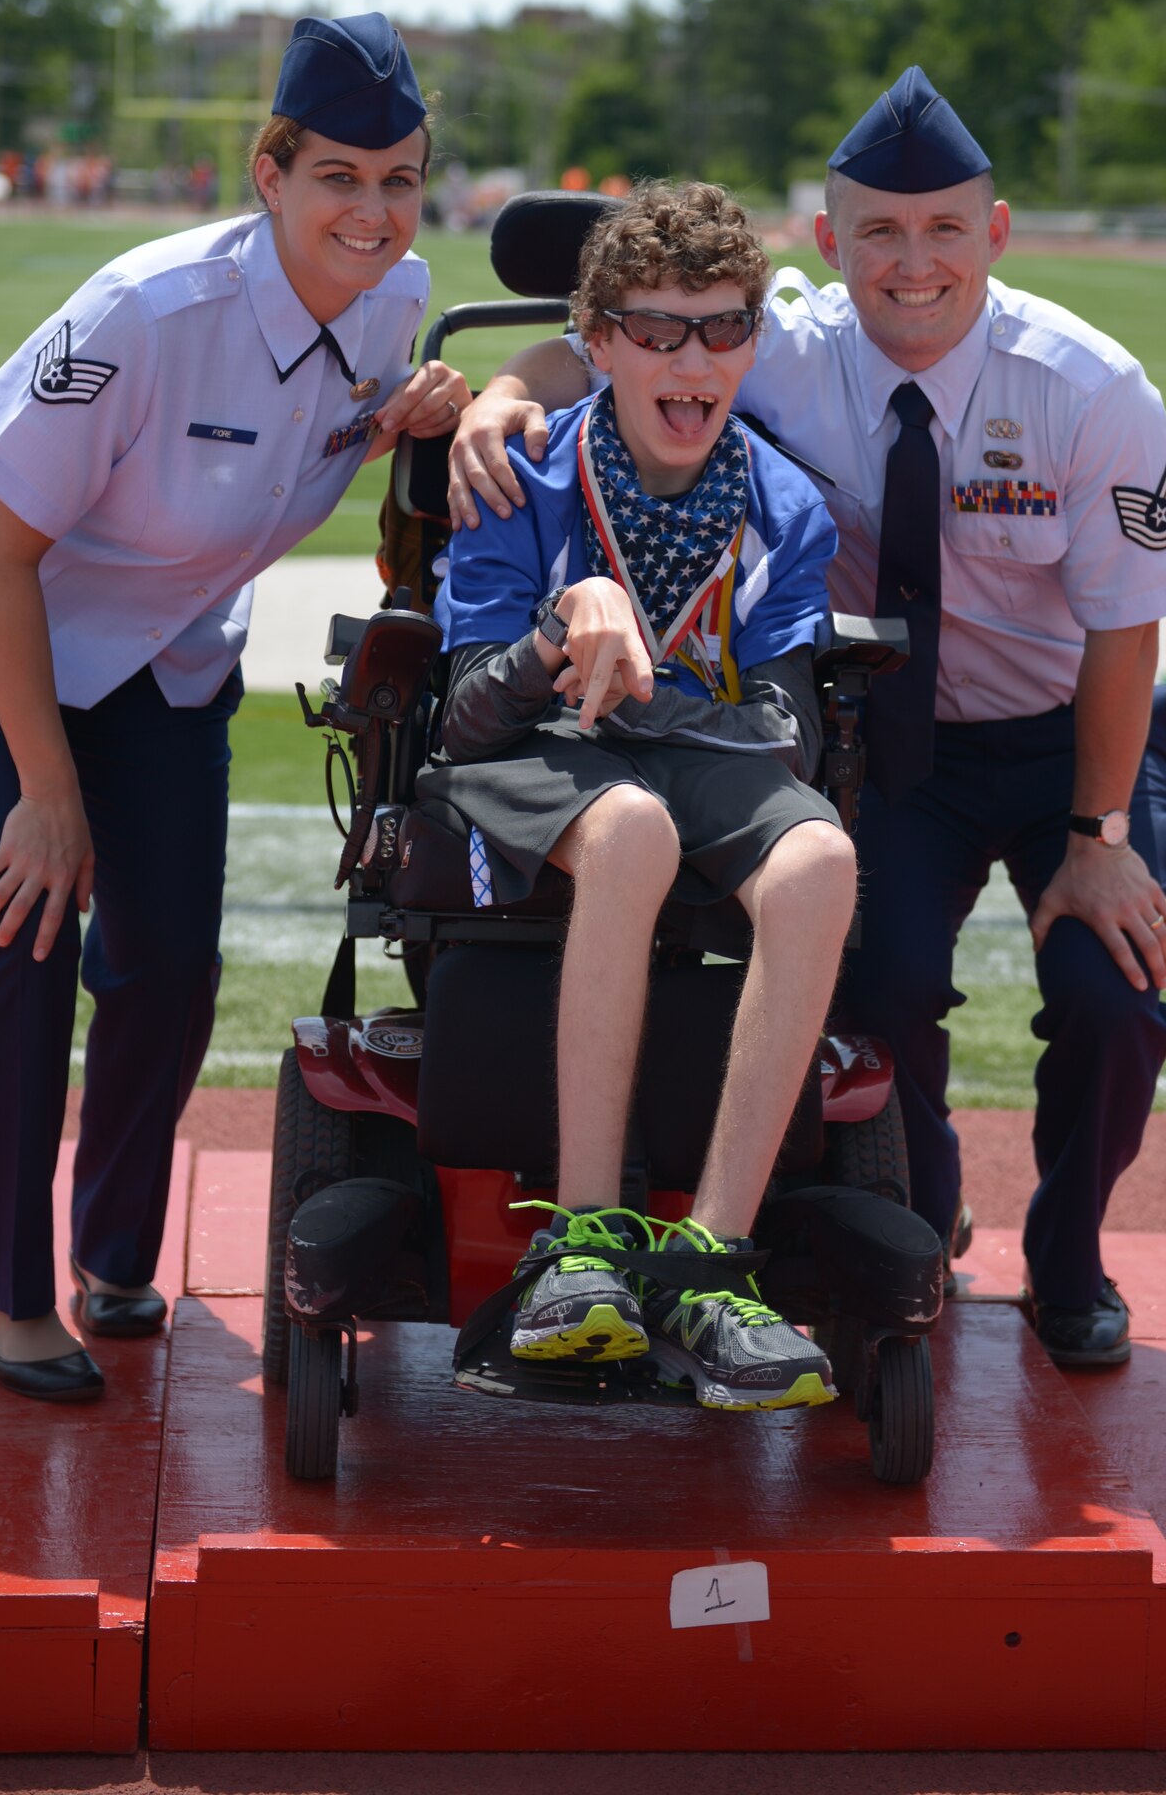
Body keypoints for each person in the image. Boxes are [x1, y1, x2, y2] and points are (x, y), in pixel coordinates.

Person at [447, 70, 1166, 1369]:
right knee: (888, 984)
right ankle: (914, 1219)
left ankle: (1068, 1256)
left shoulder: (1088, 388)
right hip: (898, 737)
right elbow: (601, 340)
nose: (911, 267)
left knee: (1108, 993)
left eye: (944, 232)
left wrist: (1096, 829)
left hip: (1071, 729)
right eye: (878, 235)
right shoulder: (781, 342)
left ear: (996, 233)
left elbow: (1125, 632)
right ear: (828, 244)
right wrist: (490, 395)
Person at [0, 14, 470, 1402]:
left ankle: (111, 1258)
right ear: (269, 168)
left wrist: (421, 422)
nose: (370, 213)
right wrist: (45, 791)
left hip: (159, 647)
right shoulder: (147, 312)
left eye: (398, 179)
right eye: (338, 178)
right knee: (25, 915)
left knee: (171, 963)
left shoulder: (392, 296)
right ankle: (7, 1300)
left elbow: (345, 470)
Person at [423, 181, 856, 1412]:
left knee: (821, 858)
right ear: (596, 340)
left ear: (753, 344)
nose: (693, 358)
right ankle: (584, 1240)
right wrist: (565, 625)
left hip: (694, 743)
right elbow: (462, 718)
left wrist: (648, 690)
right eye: (657, 330)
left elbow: (783, 730)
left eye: (723, 329)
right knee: (630, 830)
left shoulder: (783, 505)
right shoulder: (523, 472)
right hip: (533, 746)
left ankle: (711, 1263)